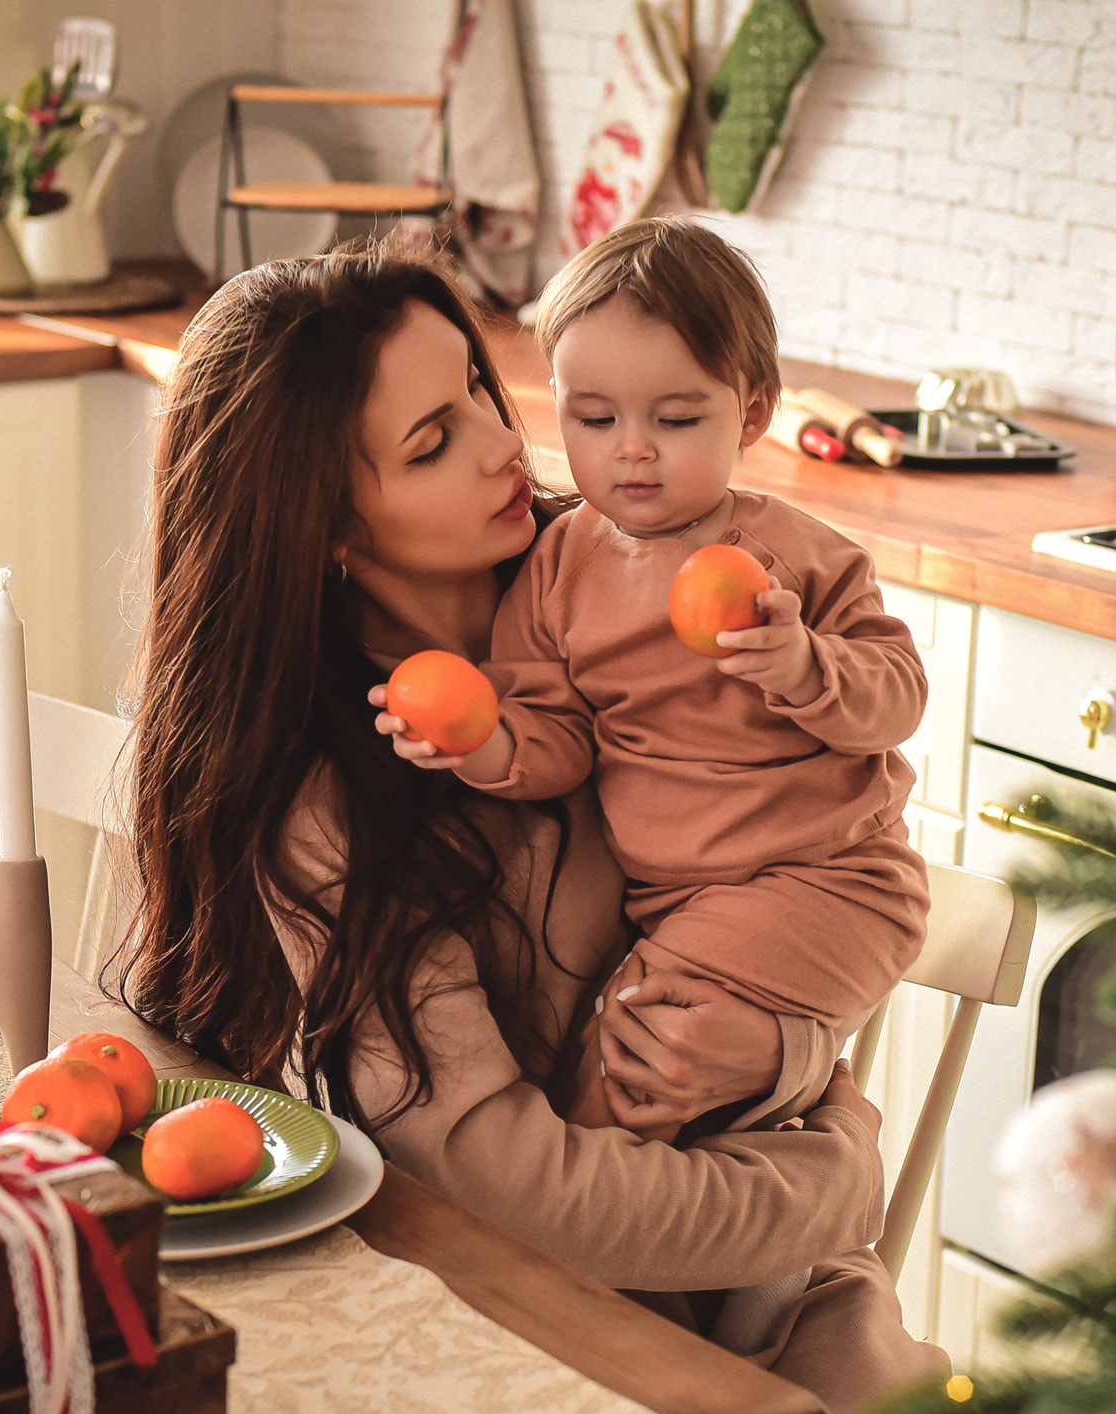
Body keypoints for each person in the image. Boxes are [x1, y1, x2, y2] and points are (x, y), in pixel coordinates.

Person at [123, 243, 946, 1414]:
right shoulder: (329, 804)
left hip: (765, 1277)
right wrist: (830, 1181)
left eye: (485, 397)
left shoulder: (624, 590)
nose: (513, 451)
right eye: (433, 441)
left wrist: (782, 1065)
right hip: (518, 1351)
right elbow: (509, 1196)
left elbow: (806, 919)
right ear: (328, 523)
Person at [375, 219, 929, 1169]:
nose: (632, 452)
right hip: (681, 904)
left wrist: (804, 666)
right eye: (594, 421)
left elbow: (901, 695)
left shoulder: (801, 559)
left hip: (829, 878)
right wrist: (483, 744)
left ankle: (603, 1260)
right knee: (658, 1094)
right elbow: (559, 739)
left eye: (675, 422)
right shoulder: (557, 569)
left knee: (620, 1072)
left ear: (752, 413)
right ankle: (718, 1252)